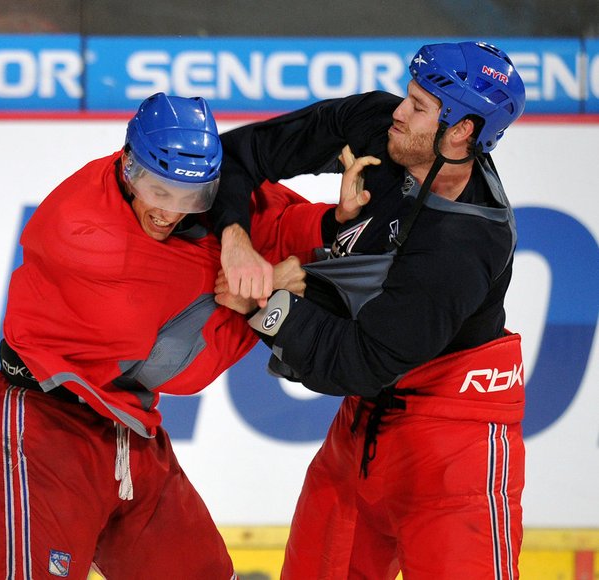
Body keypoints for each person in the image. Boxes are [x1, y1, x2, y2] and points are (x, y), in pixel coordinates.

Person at [0, 92, 352, 579]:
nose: (169, 211)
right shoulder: (86, 237)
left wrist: (338, 221)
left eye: (192, 198)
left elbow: (269, 216)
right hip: (44, 431)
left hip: (132, 429)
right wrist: (268, 284)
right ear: (127, 164)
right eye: (157, 190)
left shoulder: (174, 184)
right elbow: (187, 370)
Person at [213, 41, 528, 578]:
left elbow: (359, 362)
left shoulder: (462, 246)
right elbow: (241, 153)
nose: (397, 113)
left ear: (462, 132)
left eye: (419, 106)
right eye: (408, 96)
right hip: (365, 425)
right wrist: (236, 239)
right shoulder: (386, 128)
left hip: (456, 448)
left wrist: (268, 304)